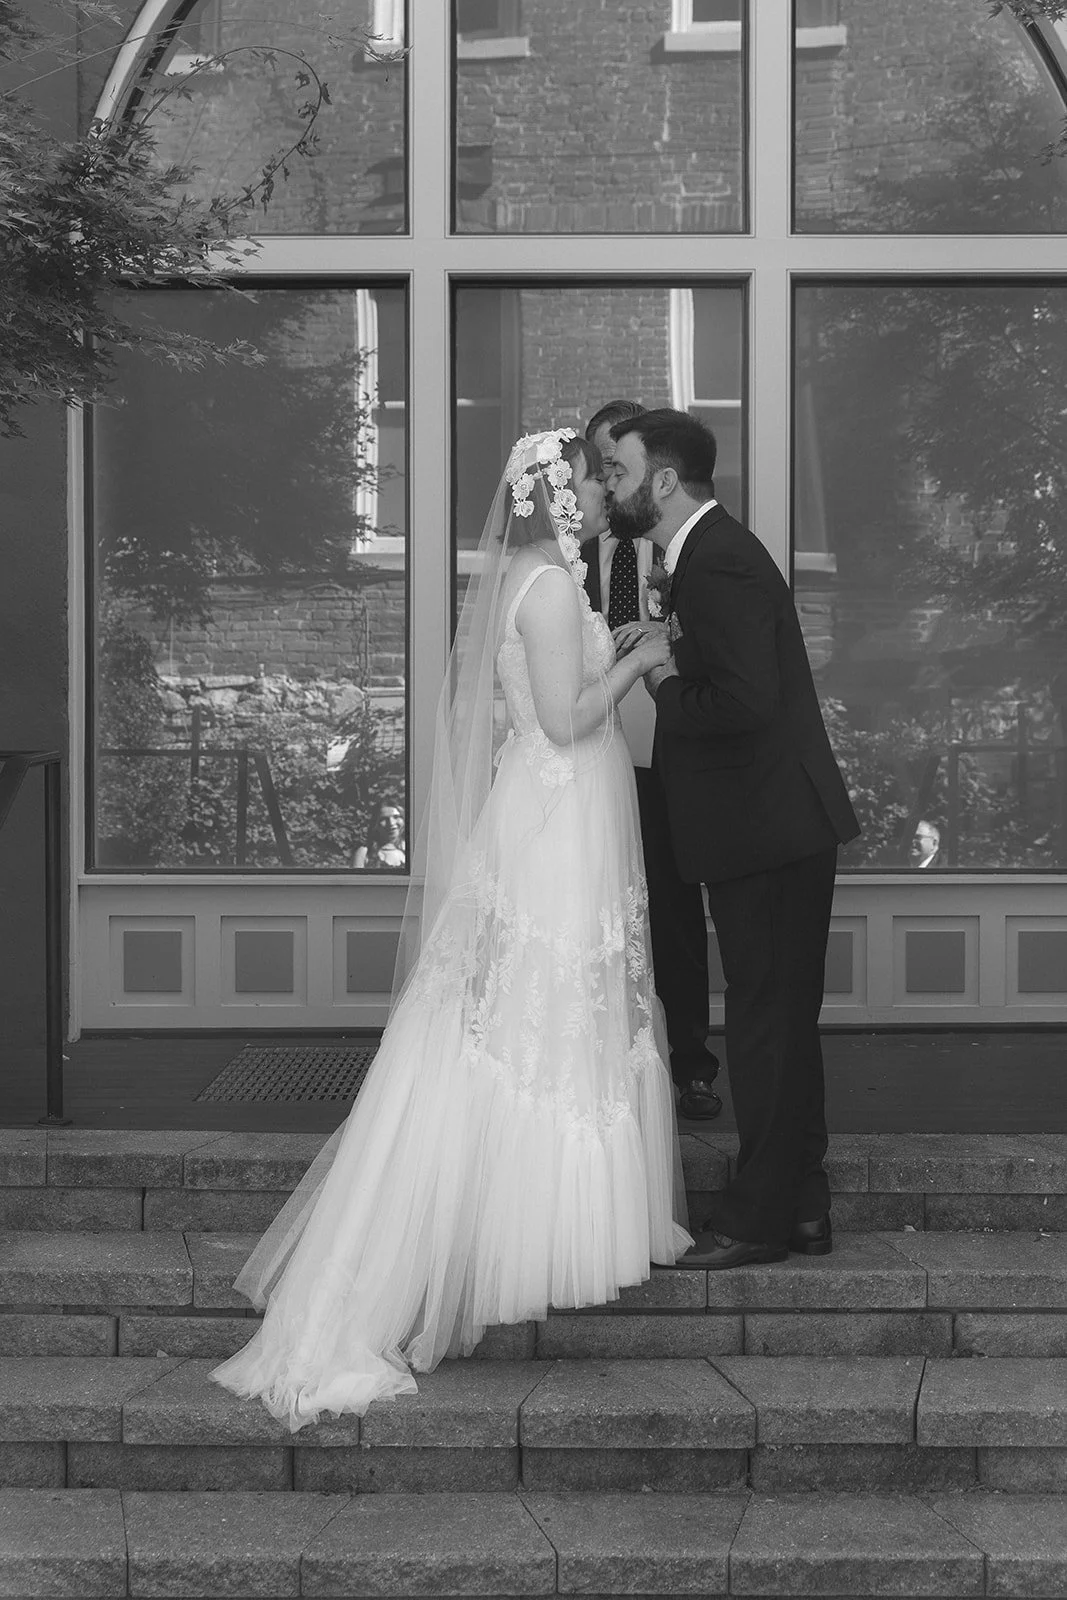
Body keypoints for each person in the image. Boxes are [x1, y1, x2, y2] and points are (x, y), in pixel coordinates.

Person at [209, 427, 692, 1428]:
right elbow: (564, 720)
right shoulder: (555, 588)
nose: (607, 492)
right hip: (559, 816)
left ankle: (560, 1222)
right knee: (549, 1007)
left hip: (550, 808)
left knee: (542, 1008)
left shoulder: (528, 573)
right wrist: (640, 655)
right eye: (593, 480)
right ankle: (546, 1232)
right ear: (561, 497)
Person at [610, 409, 861, 1270]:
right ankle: (800, 1209)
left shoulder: (714, 560)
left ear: (664, 482)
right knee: (780, 1024)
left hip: (768, 831)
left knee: (763, 1027)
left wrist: (662, 676)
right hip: (772, 827)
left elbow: (744, 703)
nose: (611, 488)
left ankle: (756, 1223)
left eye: (619, 473)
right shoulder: (709, 554)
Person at [582, 400, 720, 1122]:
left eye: (617, 467)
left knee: (670, 907)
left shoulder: (678, 547)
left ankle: (690, 1065)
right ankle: (608, 1054)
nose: (608, 484)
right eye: (600, 469)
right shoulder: (570, 558)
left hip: (668, 751)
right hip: (592, 750)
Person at [352, 802, 405, 869]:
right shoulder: (365, 853)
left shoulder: (411, 849)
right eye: (384, 819)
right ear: (375, 824)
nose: (391, 823)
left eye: (396, 817)